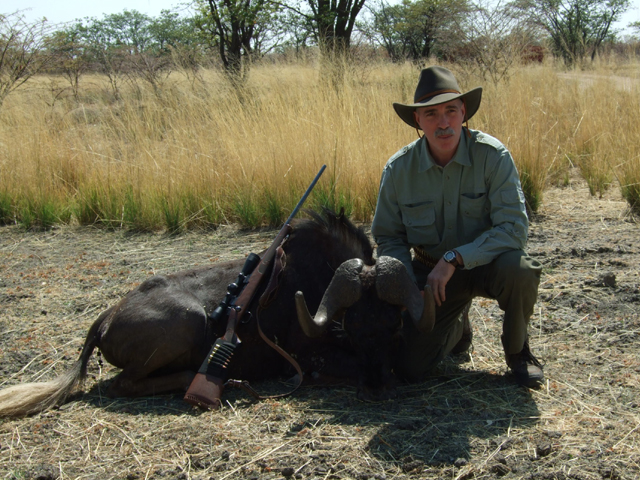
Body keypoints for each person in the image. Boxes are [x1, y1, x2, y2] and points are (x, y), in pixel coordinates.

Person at [371, 66, 544, 388]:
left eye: (451, 111)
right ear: (417, 121)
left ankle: (519, 353)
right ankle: (457, 325)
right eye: (431, 114)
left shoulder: (493, 156)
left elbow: (514, 229)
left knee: (520, 271)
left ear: (463, 113)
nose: (444, 122)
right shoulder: (398, 170)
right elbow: (388, 237)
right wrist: (409, 290)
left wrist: (454, 258)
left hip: (488, 265)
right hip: (431, 276)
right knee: (411, 370)